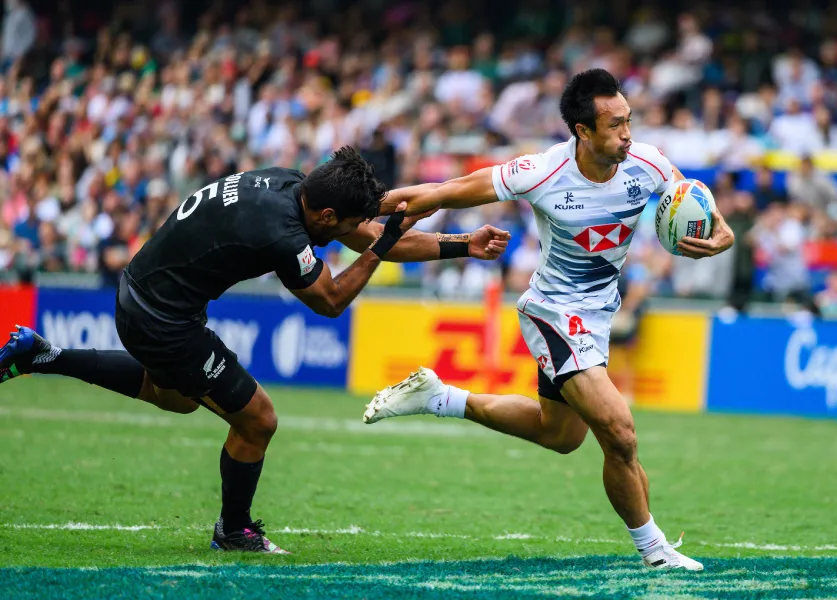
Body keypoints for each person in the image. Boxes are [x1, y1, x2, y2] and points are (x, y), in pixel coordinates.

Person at [0, 147, 511, 553]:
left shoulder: (293, 183)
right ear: (328, 214)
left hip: (147, 293)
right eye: (346, 226)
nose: (353, 233)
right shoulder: (281, 233)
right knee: (258, 420)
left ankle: (43, 354)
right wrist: (378, 246)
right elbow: (331, 300)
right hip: (161, 319)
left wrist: (464, 243)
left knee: (174, 396)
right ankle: (235, 529)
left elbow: (381, 225)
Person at [361, 69, 734, 571]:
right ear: (582, 131)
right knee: (619, 432)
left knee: (560, 435)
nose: (628, 134)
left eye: (629, 121)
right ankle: (655, 551)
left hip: (599, 315)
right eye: (615, 125)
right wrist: (352, 206)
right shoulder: (540, 171)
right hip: (554, 314)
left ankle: (438, 397)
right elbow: (447, 191)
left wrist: (720, 237)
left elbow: (703, 206)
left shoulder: (647, 163)